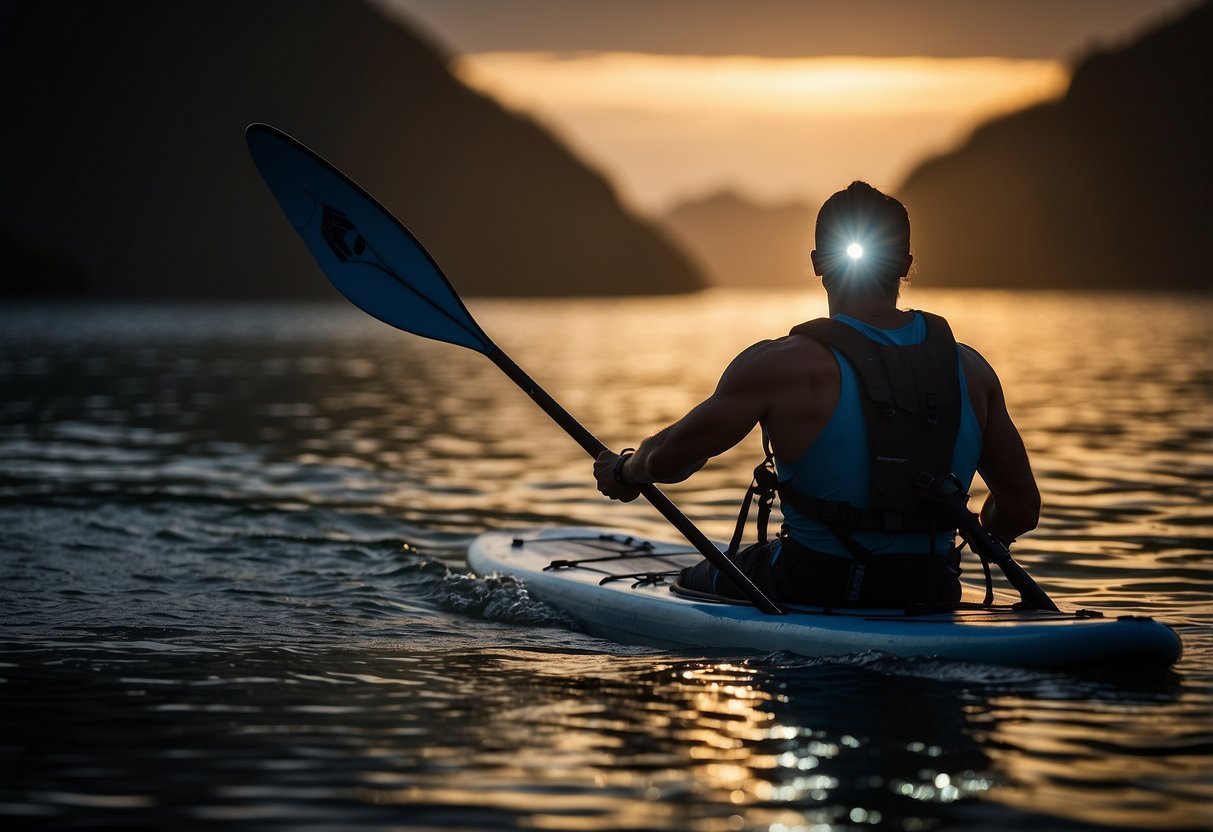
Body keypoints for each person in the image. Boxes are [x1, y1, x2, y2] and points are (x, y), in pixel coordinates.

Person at [593, 181, 1040, 609]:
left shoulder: (780, 365)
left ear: (817, 262)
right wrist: (983, 535)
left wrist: (627, 469)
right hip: (932, 588)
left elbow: (670, 459)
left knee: (689, 581)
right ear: (905, 264)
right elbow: (1020, 509)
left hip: (810, 584)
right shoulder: (972, 371)